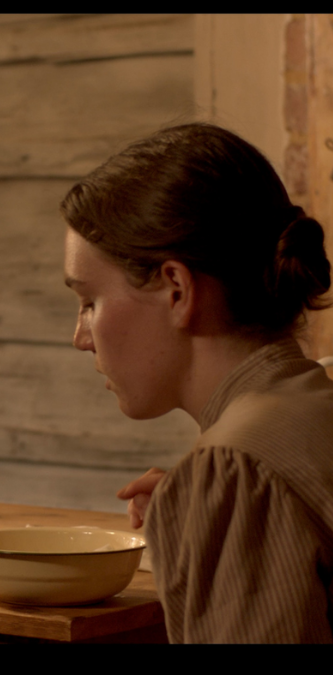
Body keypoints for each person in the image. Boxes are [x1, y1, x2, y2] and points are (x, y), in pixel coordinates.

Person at [61, 122, 333, 643]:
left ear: (177, 290)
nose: (81, 338)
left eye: (89, 301)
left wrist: (223, 498)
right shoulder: (311, 408)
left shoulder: (238, 471)